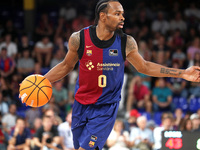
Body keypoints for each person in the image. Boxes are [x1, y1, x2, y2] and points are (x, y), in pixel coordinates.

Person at [27, 0, 200, 150]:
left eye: (123, 14)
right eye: (117, 14)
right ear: (103, 16)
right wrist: (41, 81)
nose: (122, 17)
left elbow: (144, 66)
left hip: (106, 108)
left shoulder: (126, 42)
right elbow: (66, 65)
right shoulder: (79, 38)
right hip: (81, 104)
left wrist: (182, 73)